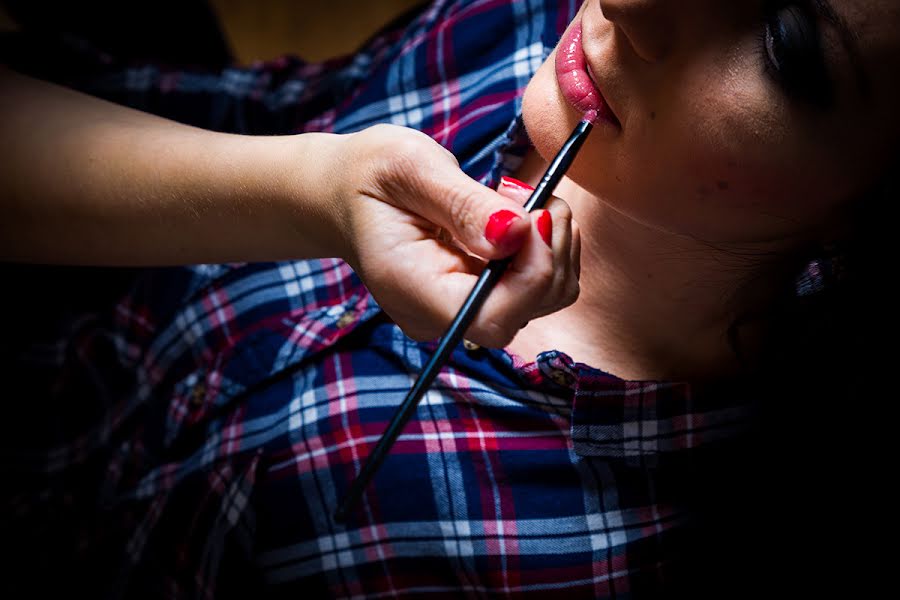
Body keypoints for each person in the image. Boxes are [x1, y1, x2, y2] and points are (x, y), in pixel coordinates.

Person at [1, 0, 896, 597]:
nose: (628, 2)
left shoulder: (527, 561)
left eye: (788, 45)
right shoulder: (527, 26)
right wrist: (311, 189)